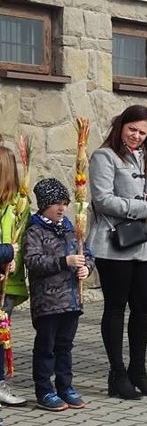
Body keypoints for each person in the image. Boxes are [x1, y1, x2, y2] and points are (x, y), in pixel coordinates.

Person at [88, 105, 147, 399]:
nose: (136, 136)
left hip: (145, 245)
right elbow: (102, 200)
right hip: (114, 243)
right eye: (132, 129)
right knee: (115, 308)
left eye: (142, 132)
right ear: (121, 126)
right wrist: (144, 209)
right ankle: (117, 373)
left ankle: (139, 370)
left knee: (142, 308)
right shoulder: (104, 156)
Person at [24, 179, 95, 411]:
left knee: (65, 346)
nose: (62, 208)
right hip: (47, 302)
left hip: (71, 300)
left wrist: (87, 267)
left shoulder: (71, 228)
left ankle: (66, 386)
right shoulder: (35, 230)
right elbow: (33, 262)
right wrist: (64, 261)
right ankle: (44, 389)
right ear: (44, 205)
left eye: (64, 203)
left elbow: (87, 253)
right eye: (56, 203)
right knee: (46, 347)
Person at [0, 148, 28, 408]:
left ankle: (1, 384)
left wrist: (14, 262)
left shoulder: (17, 205)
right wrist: (8, 251)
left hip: (6, 282)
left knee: (2, 335)